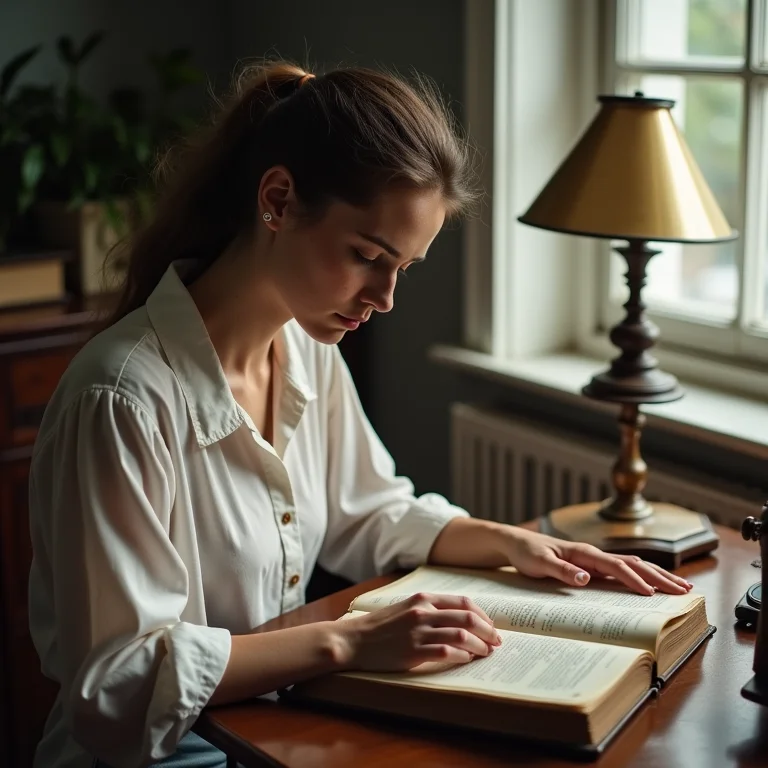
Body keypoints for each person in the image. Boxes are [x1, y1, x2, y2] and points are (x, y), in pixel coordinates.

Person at [27, 61, 693, 768]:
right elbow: (117, 686)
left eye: (402, 267)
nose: (384, 296)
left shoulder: (305, 349)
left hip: (272, 729)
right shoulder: (122, 399)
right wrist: (347, 641)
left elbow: (366, 511)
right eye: (368, 256)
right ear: (277, 201)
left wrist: (513, 544)